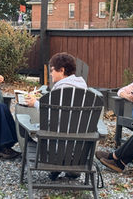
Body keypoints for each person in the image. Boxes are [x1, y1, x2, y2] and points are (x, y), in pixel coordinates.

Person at [26, 52, 87, 181]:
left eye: (52, 70)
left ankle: (56, 165)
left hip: (57, 143)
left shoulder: (60, 89)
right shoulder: (82, 87)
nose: (51, 73)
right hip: (79, 147)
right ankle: (69, 166)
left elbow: (53, 115)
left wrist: (35, 103)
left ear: (62, 70)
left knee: (28, 129)